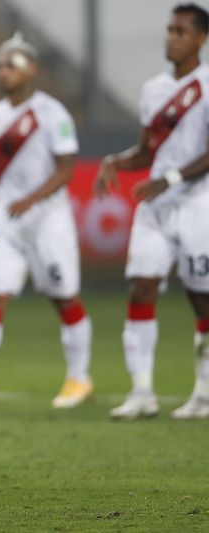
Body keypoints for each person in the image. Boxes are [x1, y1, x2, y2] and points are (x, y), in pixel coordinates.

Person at [0, 33, 93, 408]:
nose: (3, 71)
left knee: (64, 297)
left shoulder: (51, 112)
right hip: (7, 218)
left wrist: (32, 199)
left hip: (48, 217)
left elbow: (65, 169)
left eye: (11, 64)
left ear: (32, 71)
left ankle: (79, 379)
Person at [95, 3, 209, 420]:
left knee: (202, 299)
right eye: (169, 30)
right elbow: (146, 152)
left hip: (198, 204)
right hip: (156, 208)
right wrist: (115, 161)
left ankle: (204, 393)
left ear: (200, 38)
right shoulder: (153, 89)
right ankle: (142, 392)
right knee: (140, 289)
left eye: (180, 31)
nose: (171, 37)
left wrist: (172, 179)